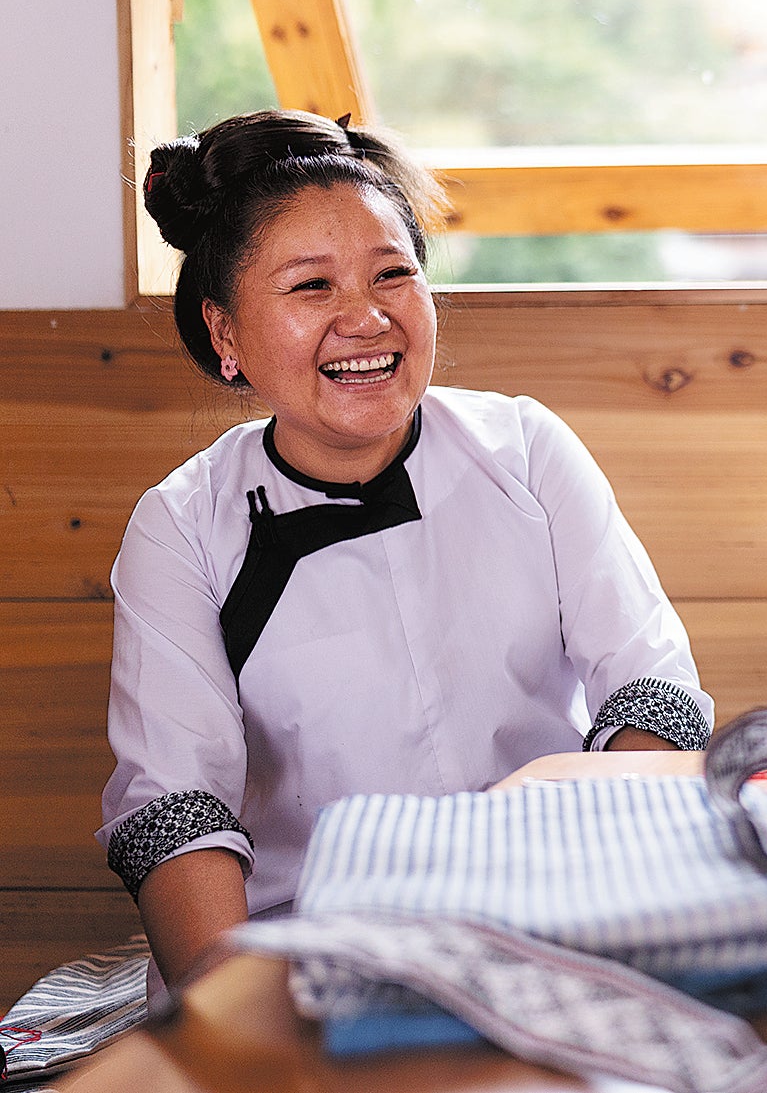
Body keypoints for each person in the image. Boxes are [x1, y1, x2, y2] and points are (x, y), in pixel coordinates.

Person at [106, 109, 713, 987]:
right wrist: (237, 1024)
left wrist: (610, 908)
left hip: (553, 920)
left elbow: (652, 689)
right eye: (311, 287)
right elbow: (174, 810)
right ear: (226, 332)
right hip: (309, 954)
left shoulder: (526, 448)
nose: (367, 317)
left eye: (394, 273)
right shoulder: (181, 526)